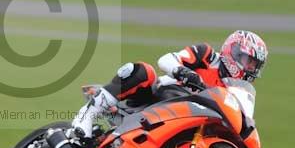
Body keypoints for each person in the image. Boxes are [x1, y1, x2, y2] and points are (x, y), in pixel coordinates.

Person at [70, 30, 268, 139]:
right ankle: (86, 116)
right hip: (159, 97)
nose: (250, 68)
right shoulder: (206, 55)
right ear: (233, 51)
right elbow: (166, 59)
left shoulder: (238, 89)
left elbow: (242, 116)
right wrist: (184, 72)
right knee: (141, 71)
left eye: (254, 65)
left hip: (187, 121)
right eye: (248, 61)